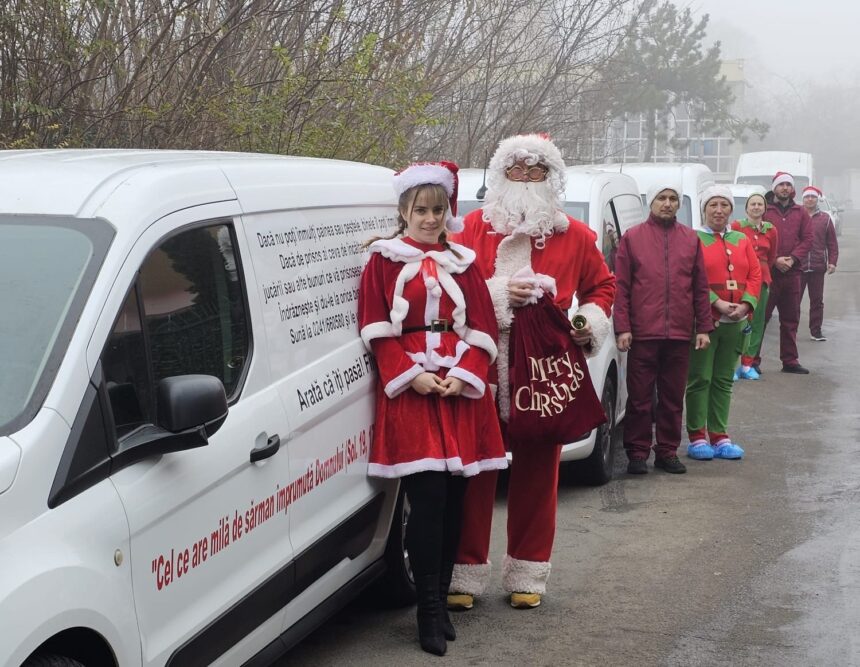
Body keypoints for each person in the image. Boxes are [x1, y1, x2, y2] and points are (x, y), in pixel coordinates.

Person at [445, 134, 615, 610]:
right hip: (482, 367)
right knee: (475, 472)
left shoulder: (575, 235)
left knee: (539, 475)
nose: (524, 177)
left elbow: (603, 287)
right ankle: (464, 571)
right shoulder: (470, 229)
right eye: (516, 170)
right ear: (501, 175)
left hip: (544, 372)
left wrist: (586, 323)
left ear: (550, 177)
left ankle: (528, 571)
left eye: (535, 170)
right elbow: (449, 289)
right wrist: (500, 294)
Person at [358, 161, 508, 656]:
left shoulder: (464, 262)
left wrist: (463, 373)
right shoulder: (383, 261)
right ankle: (425, 610)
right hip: (412, 393)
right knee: (426, 500)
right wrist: (412, 375)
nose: (429, 218)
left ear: (447, 212)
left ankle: (441, 603)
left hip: (458, 393)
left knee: (455, 500)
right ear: (404, 211)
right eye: (420, 210)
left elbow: (483, 329)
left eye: (437, 210)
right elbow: (375, 327)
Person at [613, 182, 712, 475]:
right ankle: (637, 452)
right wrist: (623, 327)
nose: (667, 203)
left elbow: (700, 286)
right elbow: (622, 287)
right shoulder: (633, 238)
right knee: (640, 398)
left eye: (672, 199)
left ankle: (667, 451)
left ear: (678, 204)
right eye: (661, 198)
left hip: (679, 334)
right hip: (643, 333)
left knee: (672, 398)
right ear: (651, 202)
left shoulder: (690, 239)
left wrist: (703, 327)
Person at [685, 186, 761, 461]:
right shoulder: (693, 239)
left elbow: (755, 273)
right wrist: (715, 302)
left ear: (731, 209)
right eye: (713, 205)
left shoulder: (741, 239)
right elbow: (690, 276)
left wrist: (747, 304)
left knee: (723, 380)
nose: (719, 211)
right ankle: (696, 436)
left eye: (724, 205)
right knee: (700, 378)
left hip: (735, 322)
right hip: (705, 323)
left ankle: (719, 435)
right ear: (704, 209)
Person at [762, 172, 814, 374]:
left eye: (788, 184)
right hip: (769, 274)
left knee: (790, 320)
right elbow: (758, 238)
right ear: (774, 187)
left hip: (792, 274)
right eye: (781, 184)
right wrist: (774, 259)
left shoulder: (801, 212)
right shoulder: (764, 210)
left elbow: (807, 239)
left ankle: (790, 361)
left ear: (792, 189)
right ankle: (751, 361)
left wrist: (792, 259)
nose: (785, 188)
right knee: (761, 319)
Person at [732, 193, 779, 379]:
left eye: (760, 204)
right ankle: (732, 365)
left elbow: (772, 255)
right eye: (753, 204)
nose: (756, 207)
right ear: (746, 208)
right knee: (739, 321)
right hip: (741, 279)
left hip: (762, 280)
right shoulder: (737, 226)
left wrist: (761, 270)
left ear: (765, 208)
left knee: (757, 322)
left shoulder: (771, 230)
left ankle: (747, 365)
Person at [799, 185, 839, 341]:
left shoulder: (825, 218)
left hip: (817, 266)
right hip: (798, 267)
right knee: (793, 301)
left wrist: (832, 262)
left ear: (818, 199)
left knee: (817, 301)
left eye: (813, 197)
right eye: (807, 197)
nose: (810, 199)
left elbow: (832, 243)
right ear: (803, 199)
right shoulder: (797, 216)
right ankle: (790, 330)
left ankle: (816, 331)